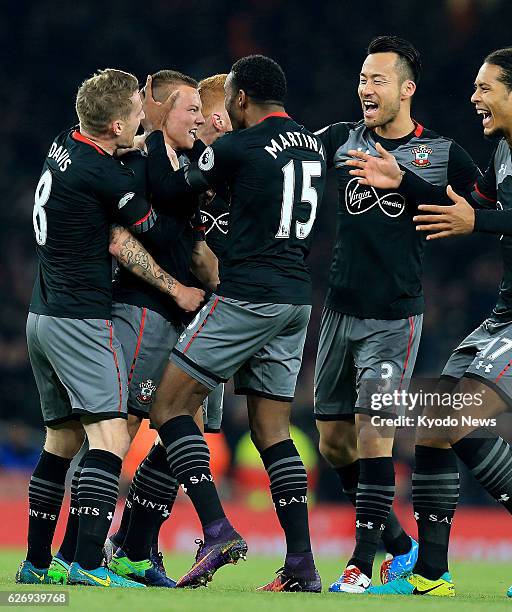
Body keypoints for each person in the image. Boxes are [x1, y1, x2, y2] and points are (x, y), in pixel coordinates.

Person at [354, 48, 512, 599]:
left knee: (455, 419)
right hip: (509, 316)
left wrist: (480, 220)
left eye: (485, 88)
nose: (475, 98)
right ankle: (433, 575)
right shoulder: (505, 153)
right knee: (433, 425)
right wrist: (402, 181)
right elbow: (460, 203)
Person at [143, 54, 327, 591]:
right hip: (296, 300)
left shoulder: (239, 147)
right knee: (273, 430)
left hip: (248, 296)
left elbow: (173, 190)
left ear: (241, 99)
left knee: (169, 404)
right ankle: (301, 565)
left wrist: (158, 135)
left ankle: (217, 528)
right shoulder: (312, 143)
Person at [17, 68, 204, 589]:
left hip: (40, 316)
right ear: (118, 127)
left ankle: (36, 562)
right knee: (110, 436)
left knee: (60, 439)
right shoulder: (108, 179)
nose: (145, 119)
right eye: (137, 117)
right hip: (81, 318)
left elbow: (112, 151)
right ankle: (89, 564)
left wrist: (134, 143)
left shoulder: (65, 144)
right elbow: (145, 232)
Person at [312, 36, 481, 592]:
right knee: (334, 443)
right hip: (338, 312)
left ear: (407, 89)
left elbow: (494, 199)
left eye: (377, 79)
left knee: (373, 431)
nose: (365, 88)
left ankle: (361, 563)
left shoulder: (442, 152)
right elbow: (283, 156)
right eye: (362, 79)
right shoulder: (340, 141)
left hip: (394, 317)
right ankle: (401, 546)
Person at [101, 71, 233, 588]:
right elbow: (176, 248)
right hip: (159, 311)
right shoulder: (157, 165)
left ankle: (132, 546)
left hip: (204, 317)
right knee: (132, 425)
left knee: (183, 432)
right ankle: (86, 549)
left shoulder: (222, 175)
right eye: (199, 111)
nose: (208, 122)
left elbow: (202, 253)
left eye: (211, 113)